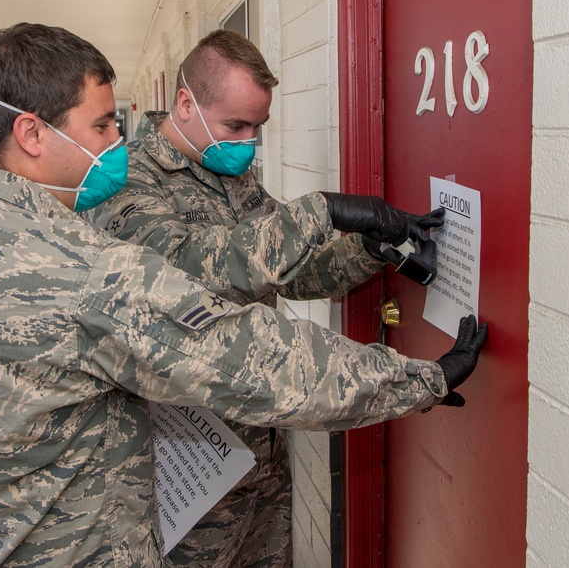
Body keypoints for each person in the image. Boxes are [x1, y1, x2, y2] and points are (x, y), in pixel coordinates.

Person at [0, 22, 487, 567]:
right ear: (32, 133)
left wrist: (370, 247)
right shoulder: (79, 268)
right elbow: (245, 354)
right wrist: (420, 378)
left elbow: (283, 270)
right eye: (101, 123)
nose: (118, 135)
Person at [91, 29, 442, 566]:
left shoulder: (234, 178)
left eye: (258, 126)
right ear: (186, 103)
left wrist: (372, 249)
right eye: (236, 124)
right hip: (188, 466)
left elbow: (291, 271)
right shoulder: (129, 183)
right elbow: (187, 268)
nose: (249, 140)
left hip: (262, 446)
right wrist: (323, 210)